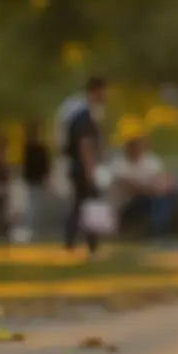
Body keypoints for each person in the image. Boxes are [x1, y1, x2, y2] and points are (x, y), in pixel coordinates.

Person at [63, 76, 108, 256]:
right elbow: (85, 144)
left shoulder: (83, 113)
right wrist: (90, 170)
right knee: (89, 203)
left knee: (81, 204)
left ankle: (73, 240)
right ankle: (90, 244)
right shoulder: (84, 115)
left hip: (80, 167)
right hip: (83, 167)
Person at [109, 135, 174, 237]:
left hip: (153, 197)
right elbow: (130, 187)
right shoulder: (119, 164)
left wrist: (160, 188)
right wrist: (152, 189)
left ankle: (162, 231)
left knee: (167, 199)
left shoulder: (152, 161)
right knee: (156, 202)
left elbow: (165, 180)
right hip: (128, 204)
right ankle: (158, 233)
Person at [20, 122, 50, 239]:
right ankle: (30, 229)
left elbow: (45, 166)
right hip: (31, 182)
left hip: (39, 181)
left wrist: (46, 178)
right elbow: (25, 166)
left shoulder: (41, 149)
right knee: (31, 206)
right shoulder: (29, 149)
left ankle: (38, 229)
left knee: (39, 206)